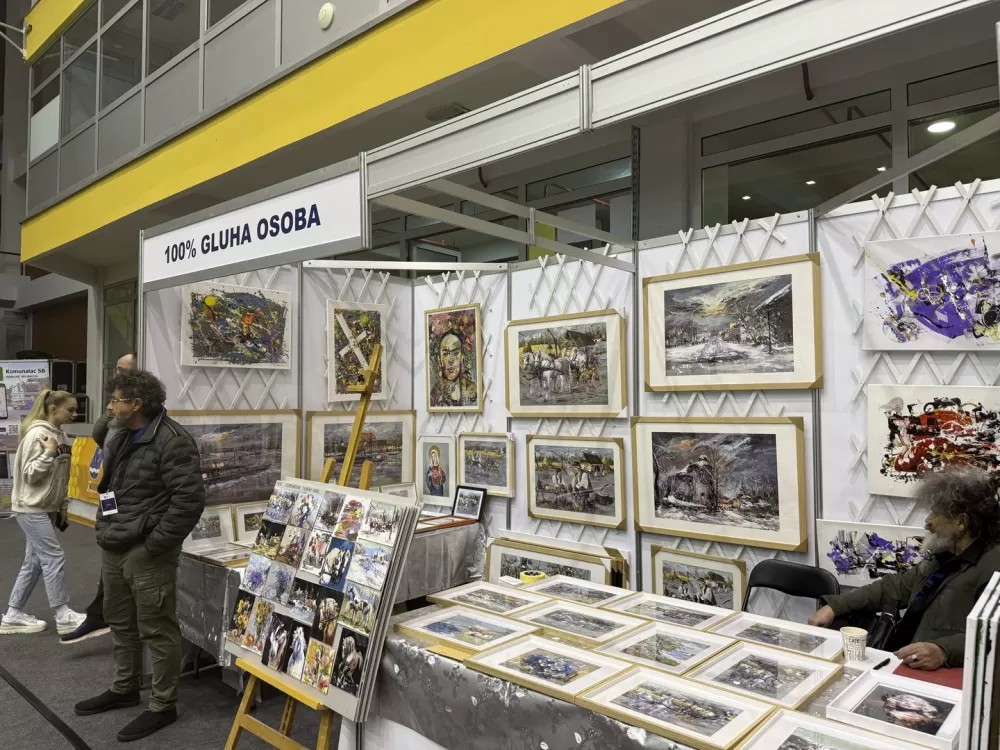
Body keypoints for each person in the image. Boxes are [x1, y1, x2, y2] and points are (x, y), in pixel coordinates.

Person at [74, 370, 206, 742]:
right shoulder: (120, 431)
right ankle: (125, 687)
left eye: (117, 400)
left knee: (156, 626)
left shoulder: (173, 441)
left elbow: (189, 501)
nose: (111, 406)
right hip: (115, 542)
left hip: (148, 551)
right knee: (120, 621)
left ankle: (163, 705)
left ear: (139, 404)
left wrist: (153, 547)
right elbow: (100, 432)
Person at [809, 468, 1000, 670]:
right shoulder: (946, 556)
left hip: (946, 676)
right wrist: (835, 606)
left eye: (936, 513)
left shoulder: (993, 566)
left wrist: (943, 651)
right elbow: (896, 587)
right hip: (903, 661)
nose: (929, 520)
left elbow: (993, 634)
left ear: (961, 522)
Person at [62, 352, 138, 645]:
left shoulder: (137, 413)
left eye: (123, 370)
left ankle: (103, 615)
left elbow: (100, 431)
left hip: (132, 502)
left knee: (121, 557)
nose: (117, 373)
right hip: (114, 495)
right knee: (111, 553)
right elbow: (99, 432)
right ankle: (101, 614)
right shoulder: (117, 410)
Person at [0, 390, 87, 636]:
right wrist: (48, 452)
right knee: (53, 557)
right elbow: (29, 474)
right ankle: (63, 615)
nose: (74, 413)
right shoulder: (38, 434)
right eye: (70, 410)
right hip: (30, 507)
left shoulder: (61, 435)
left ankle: (13, 615)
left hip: (46, 506)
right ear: (53, 409)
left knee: (34, 562)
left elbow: (60, 477)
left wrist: (62, 507)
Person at [429, 330, 477, 407]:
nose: (451, 360)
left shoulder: (473, 391)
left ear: (462, 357)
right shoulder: (433, 396)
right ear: (439, 359)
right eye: (445, 354)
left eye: (455, 353)